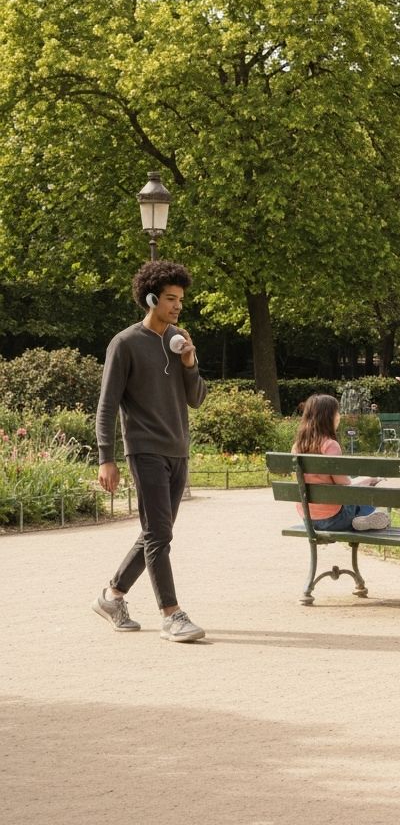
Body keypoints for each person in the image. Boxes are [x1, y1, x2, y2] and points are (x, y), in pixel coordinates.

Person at [93, 261, 208, 642]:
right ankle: (172, 615)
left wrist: (190, 363)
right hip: (145, 450)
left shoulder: (178, 340)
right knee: (159, 534)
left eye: (181, 300)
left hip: (178, 450)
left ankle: (112, 596)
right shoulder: (124, 344)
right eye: (171, 299)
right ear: (151, 298)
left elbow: (196, 400)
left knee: (156, 532)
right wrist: (106, 457)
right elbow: (107, 405)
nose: (177, 306)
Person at [292, 394, 389, 531]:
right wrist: (369, 479)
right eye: (337, 412)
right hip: (335, 518)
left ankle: (361, 520)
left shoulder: (297, 447)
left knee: (359, 485)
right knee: (369, 488)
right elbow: (344, 484)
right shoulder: (330, 445)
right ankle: (364, 518)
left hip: (308, 519)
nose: (339, 416)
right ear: (329, 417)